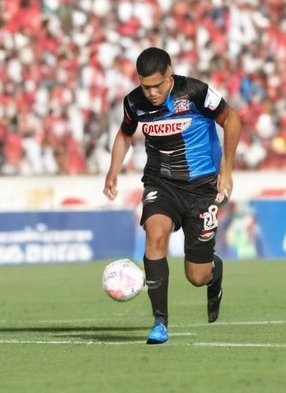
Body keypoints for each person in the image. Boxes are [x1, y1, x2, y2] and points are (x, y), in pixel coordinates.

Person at [103, 47, 241, 344]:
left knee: (197, 276)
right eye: (145, 85)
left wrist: (226, 171)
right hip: (161, 182)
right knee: (155, 232)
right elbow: (126, 134)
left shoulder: (195, 92)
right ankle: (160, 322)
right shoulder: (134, 102)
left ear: (170, 74)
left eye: (157, 84)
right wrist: (113, 170)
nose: (151, 92)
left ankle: (214, 270)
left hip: (202, 187)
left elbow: (232, 120)